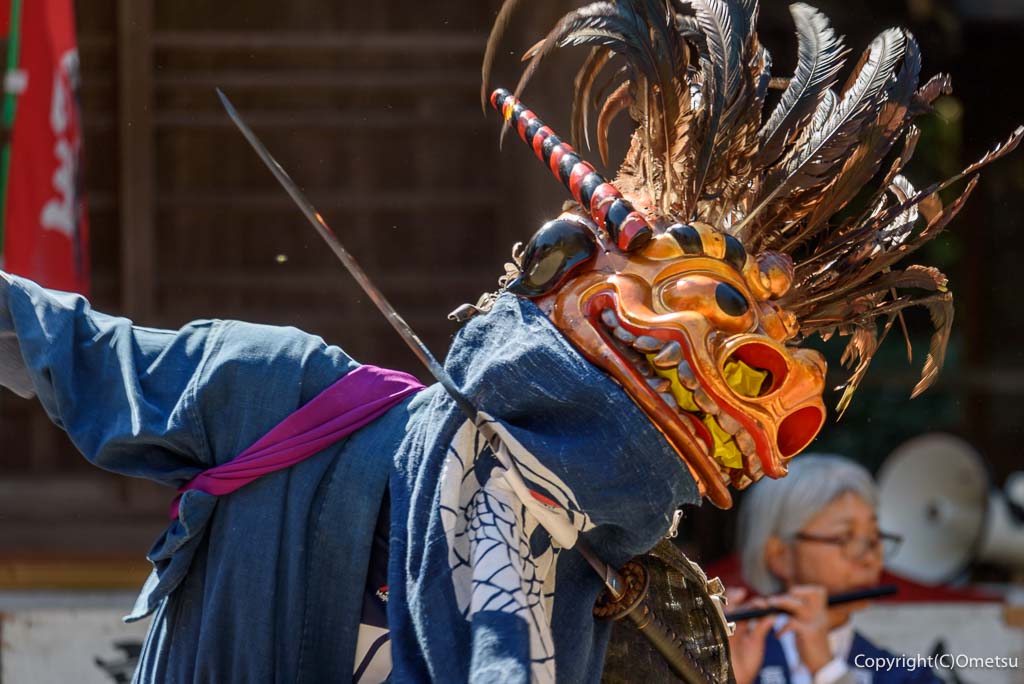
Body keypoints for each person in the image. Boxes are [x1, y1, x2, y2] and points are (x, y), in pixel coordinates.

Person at [2, 0, 1015, 680]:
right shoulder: (273, 394)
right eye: (703, 308)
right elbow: (63, 344)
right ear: (561, 268)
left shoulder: (640, 601)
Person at [729, 455, 941, 684]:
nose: (870, 558)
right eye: (844, 538)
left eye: (873, 537)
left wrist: (828, 670)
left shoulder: (907, 677)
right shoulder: (737, 657)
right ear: (780, 555)